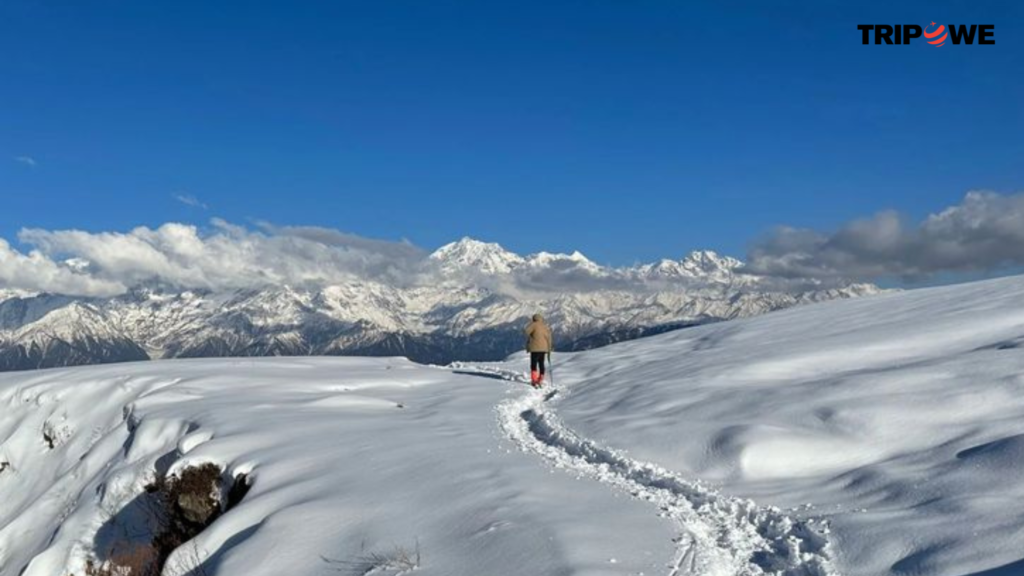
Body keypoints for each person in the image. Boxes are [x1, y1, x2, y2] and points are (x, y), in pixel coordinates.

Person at [524, 313, 553, 387]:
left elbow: (526, 332)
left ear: (534, 319)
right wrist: (549, 349)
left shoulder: (533, 325)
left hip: (534, 348)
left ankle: (534, 380)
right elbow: (549, 338)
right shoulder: (545, 326)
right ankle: (541, 379)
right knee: (541, 363)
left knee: (534, 364)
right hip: (543, 349)